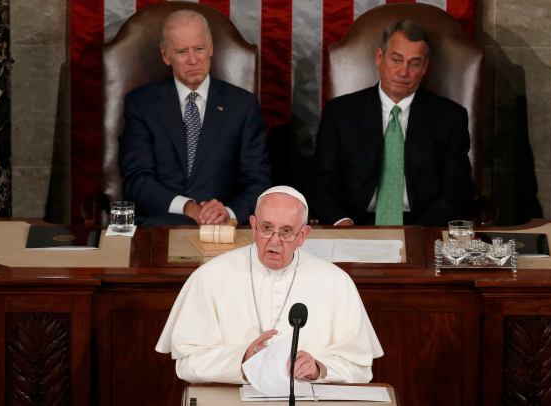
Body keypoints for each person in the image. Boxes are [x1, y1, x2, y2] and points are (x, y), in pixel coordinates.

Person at [155, 185, 383, 383]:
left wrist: (318, 369)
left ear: (303, 235)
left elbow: (361, 368)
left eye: (286, 232)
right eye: (266, 229)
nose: (274, 241)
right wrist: (243, 358)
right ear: (253, 226)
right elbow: (187, 364)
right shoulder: (211, 276)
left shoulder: (336, 282)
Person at [308, 20, 477, 227]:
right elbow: (321, 183)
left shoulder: (450, 117)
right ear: (379, 57)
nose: (403, 72)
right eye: (396, 60)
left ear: (425, 67)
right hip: (355, 224)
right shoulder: (340, 113)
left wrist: (420, 231)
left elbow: (458, 190)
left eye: (414, 64)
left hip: (422, 225)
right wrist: (341, 221)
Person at [119, 10, 271, 226]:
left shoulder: (242, 105)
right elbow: (137, 180)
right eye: (182, 52)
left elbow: (258, 183)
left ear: (210, 48)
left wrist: (228, 212)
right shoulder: (141, 104)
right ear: (165, 55)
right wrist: (187, 207)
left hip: (224, 230)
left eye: (199, 49)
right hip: (161, 226)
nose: (193, 60)